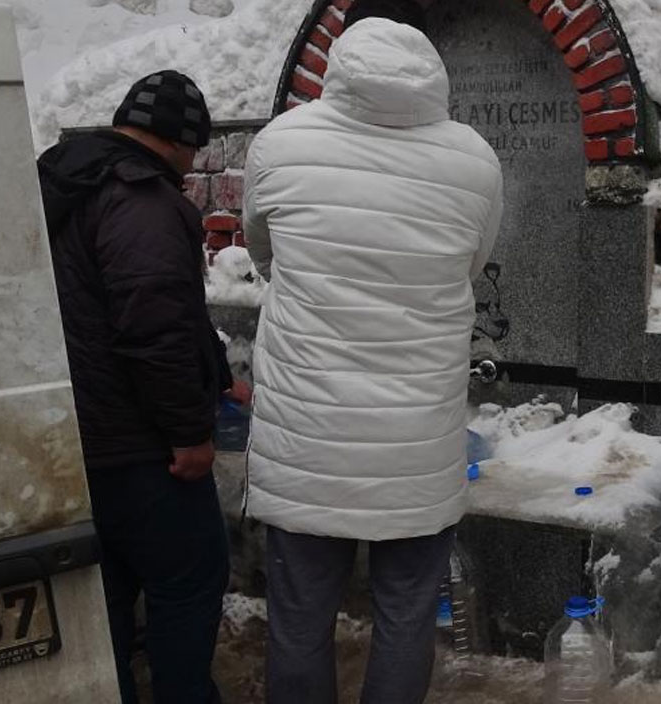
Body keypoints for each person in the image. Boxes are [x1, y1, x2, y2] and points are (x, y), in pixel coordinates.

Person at [241, 14, 503, 704]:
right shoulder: (474, 157)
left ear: (335, 69)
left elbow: (264, 255)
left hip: (309, 436)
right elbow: (470, 264)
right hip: (416, 439)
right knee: (407, 617)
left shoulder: (281, 144)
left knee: (298, 621)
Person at [38, 70, 247, 704]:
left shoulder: (63, 182)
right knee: (189, 579)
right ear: (182, 142)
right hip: (142, 445)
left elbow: (142, 309)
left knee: (107, 593)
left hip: (77, 436)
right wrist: (189, 434)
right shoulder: (143, 201)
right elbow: (152, 325)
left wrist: (217, 379)